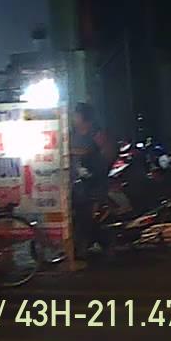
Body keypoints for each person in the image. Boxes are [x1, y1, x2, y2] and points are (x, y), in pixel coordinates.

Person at [70, 102, 115, 254]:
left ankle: (86, 246)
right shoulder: (72, 133)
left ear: (83, 117)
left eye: (76, 114)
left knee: (87, 213)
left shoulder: (96, 133)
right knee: (79, 213)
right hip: (77, 181)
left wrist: (95, 167)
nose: (73, 117)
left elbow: (108, 153)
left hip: (94, 181)